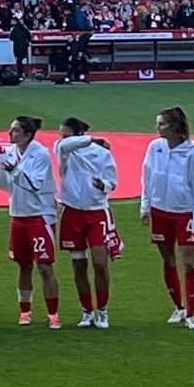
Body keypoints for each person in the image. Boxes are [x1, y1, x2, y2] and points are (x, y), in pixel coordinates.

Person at [141, 105, 194, 330]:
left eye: (162, 123)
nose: (158, 128)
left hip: (185, 214)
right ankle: (178, 306)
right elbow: (147, 176)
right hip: (160, 211)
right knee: (168, 260)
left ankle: (191, 312)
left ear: (175, 127)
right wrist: (145, 207)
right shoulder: (155, 147)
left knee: (188, 263)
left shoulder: (193, 152)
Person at [0, 114, 60, 329]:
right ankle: (25, 312)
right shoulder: (10, 152)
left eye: (14, 130)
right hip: (18, 215)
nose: (9, 133)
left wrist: (13, 170)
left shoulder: (40, 154)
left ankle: (53, 313)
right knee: (23, 265)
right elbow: (4, 186)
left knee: (44, 266)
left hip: (40, 216)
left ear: (27, 135)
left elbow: (34, 184)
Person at [56, 115, 119, 329]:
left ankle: (102, 309)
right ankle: (86, 310)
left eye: (65, 133)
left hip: (96, 212)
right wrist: (92, 138)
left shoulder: (102, 154)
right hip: (72, 212)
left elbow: (113, 181)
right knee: (78, 264)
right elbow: (65, 144)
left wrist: (103, 185)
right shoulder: (64, 150)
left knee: (100, 263)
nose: (61, 137)